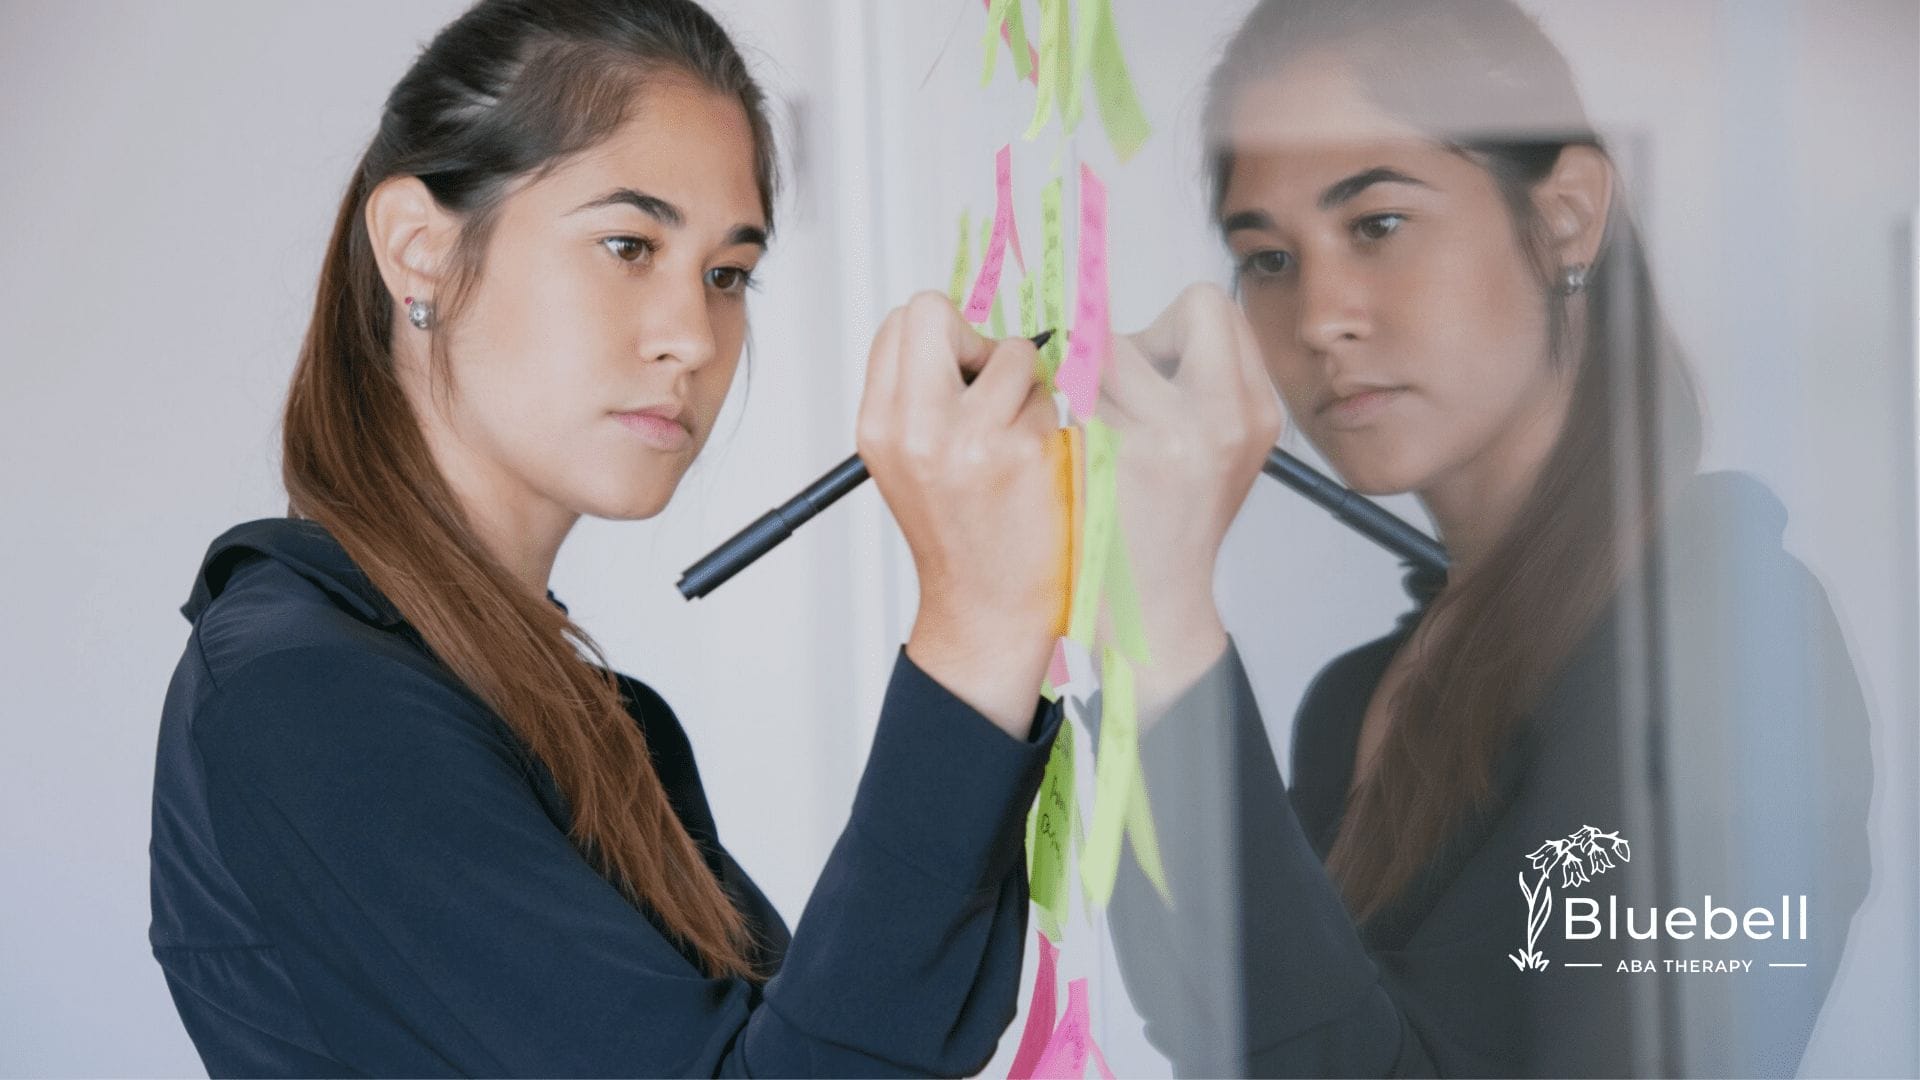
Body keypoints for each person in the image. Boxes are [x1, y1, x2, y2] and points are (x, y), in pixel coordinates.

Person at [146, 1, 1079, 1074]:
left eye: (726, 275)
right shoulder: (307, 692)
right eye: (629, 245)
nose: (693, 338)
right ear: (419, 250)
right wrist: (978, 623)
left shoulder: (591, 719)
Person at [1090, 1, 1875, 1076]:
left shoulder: (1731, 643)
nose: (1319, 317)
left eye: (1378, 225)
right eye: (1268, 258)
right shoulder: (1356, 700)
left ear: (1566, 216)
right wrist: (1128, 628)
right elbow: (1219, 1036)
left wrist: (1166, 615)